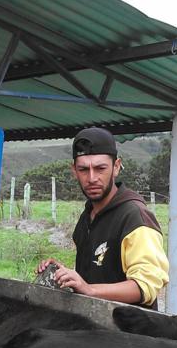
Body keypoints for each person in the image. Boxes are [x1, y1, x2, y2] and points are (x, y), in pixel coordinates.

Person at [37, 127, 169, 308]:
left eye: (100, 168)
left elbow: (145, 286)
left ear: (116, 167)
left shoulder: (135, 217)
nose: (91, 178)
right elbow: (97, 272)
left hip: (130, 332)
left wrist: (89, 290)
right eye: (83, 169)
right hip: (93, 325)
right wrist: (65, 275)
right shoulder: (88, 215)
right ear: (74, 170)